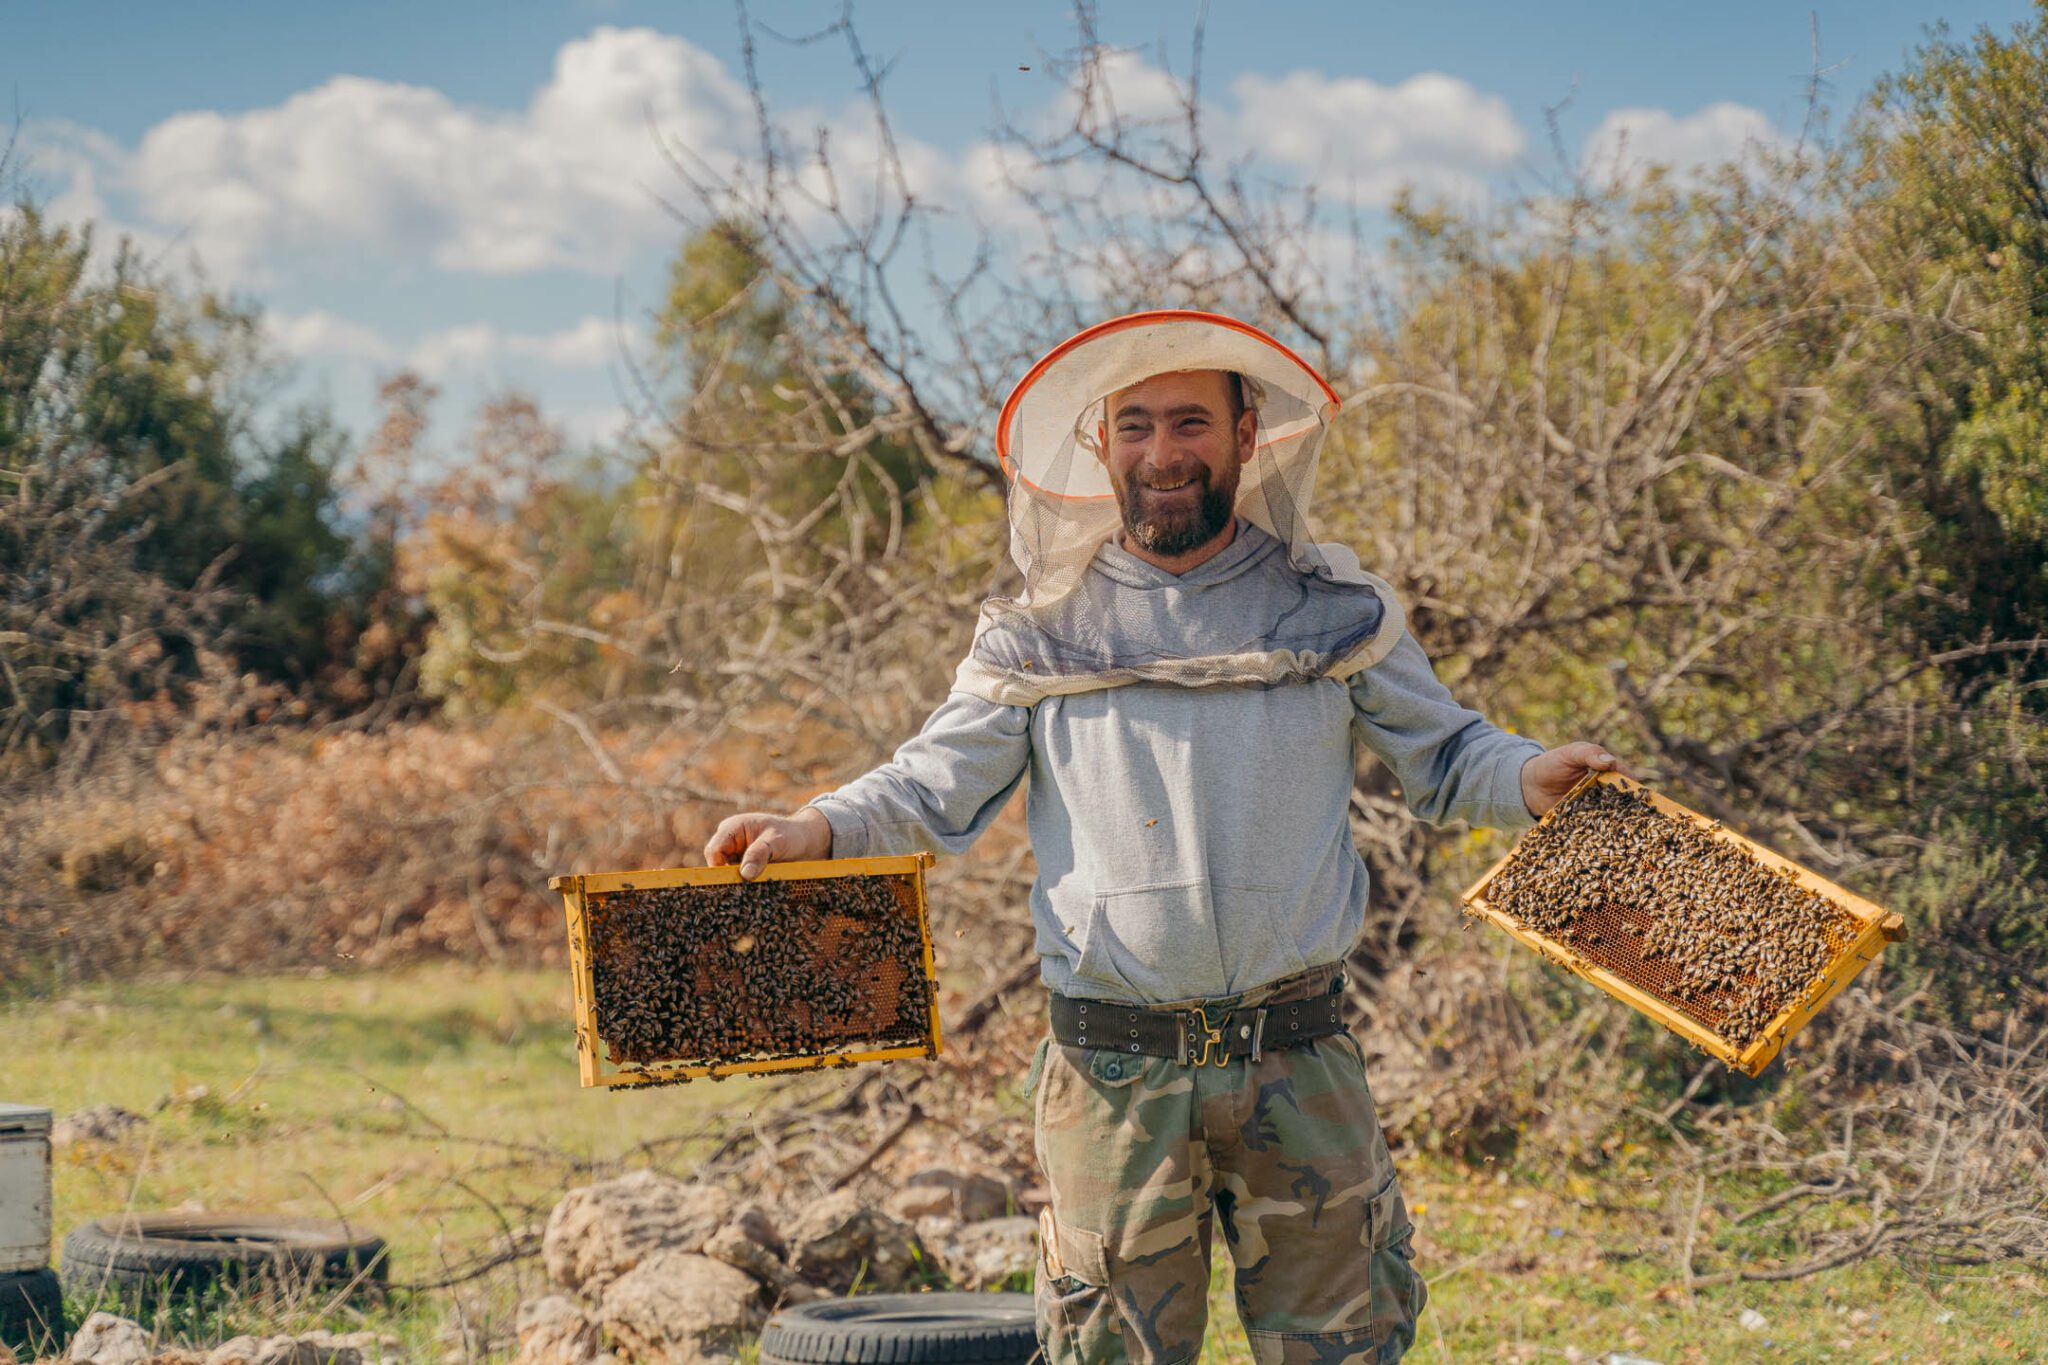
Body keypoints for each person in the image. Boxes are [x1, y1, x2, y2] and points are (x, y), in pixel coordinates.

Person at [704, 311, 1620, 1363]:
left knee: (1343, 1348)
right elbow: (928, 782)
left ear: (1245, 434)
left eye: (1190, 421)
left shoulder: (1333, 610)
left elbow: (1450, 753)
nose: (1162, 451)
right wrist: (816, 824)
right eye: (1134, 424)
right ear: (1100, 444)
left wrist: (1529, 776)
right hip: (1113, 1075)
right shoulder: (1039, 628)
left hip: (1298, 1059)